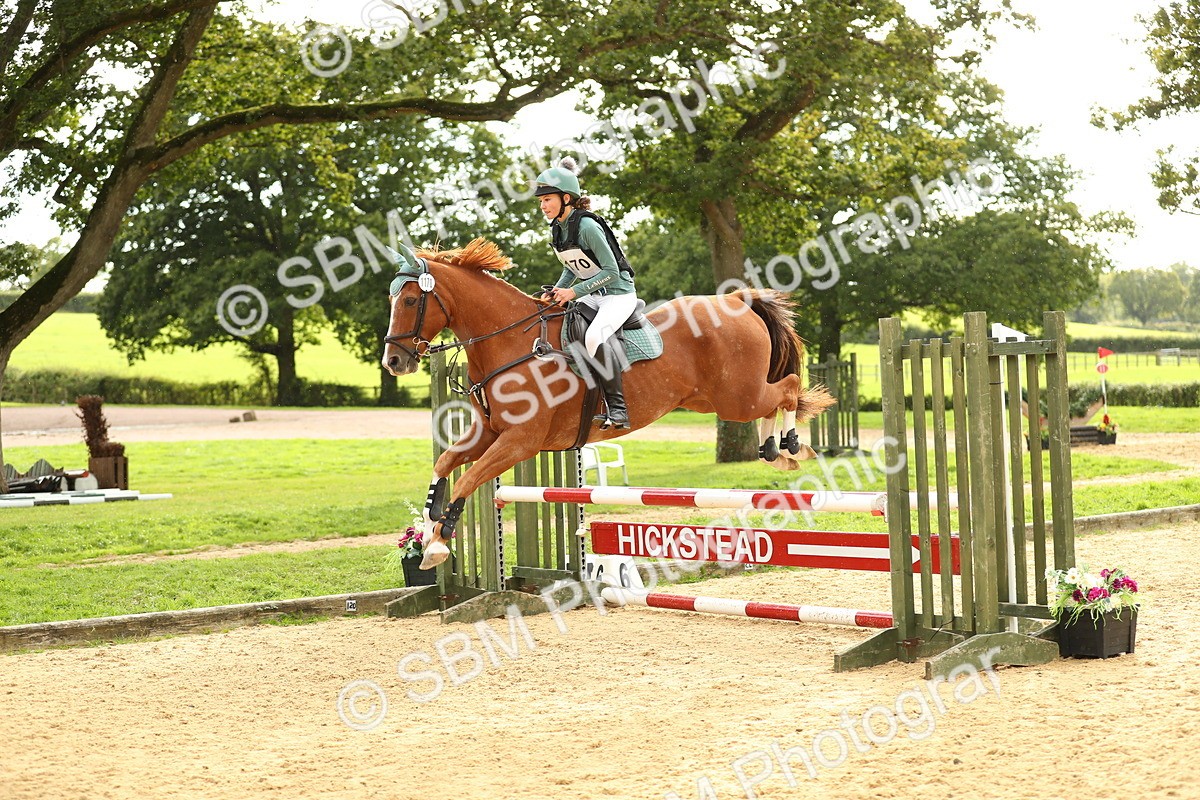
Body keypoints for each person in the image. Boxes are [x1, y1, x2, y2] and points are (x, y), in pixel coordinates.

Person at [535, 157, 637, 430]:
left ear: (566, 197)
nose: (543, 206)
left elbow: (612, 272)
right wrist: (558, 290)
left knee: (594, 336)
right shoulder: (558, 227)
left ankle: (618, 409)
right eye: (541, 201)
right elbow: (573, 268)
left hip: (617, 294)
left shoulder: (587, 226)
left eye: (547, 199)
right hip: (592, 293)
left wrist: (574, 291)